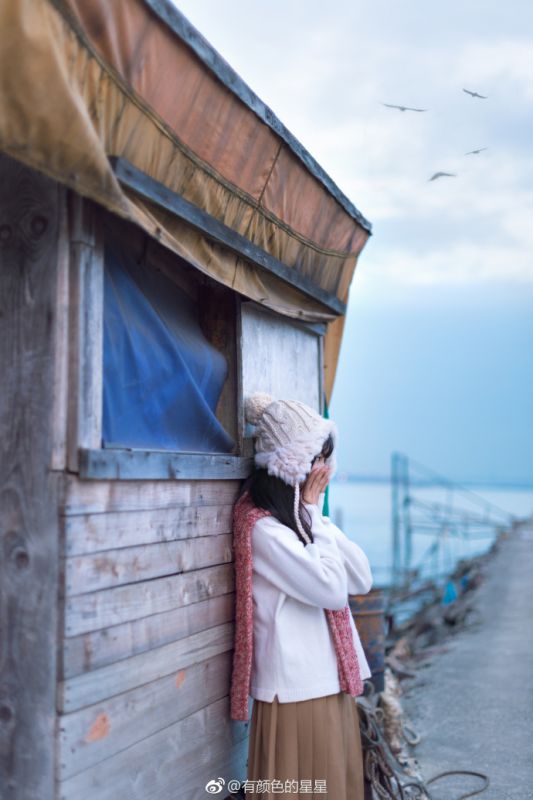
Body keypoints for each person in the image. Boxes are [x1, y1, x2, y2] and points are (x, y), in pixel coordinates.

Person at [230, 393, 373, 800]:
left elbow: (361, 579)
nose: (323, 471)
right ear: (290, 464)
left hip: (327, 681)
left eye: (327, 459)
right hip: (295, 687)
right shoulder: (264, 529)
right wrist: (310, 509)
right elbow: (331, 591)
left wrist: (315, 514)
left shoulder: (303, 521)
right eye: (316, 459)